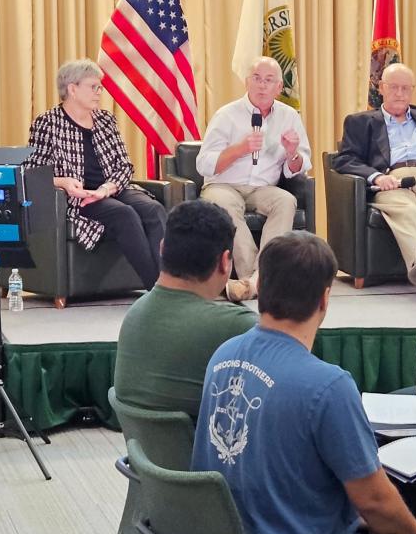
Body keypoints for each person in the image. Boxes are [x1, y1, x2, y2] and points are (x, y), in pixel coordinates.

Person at [191, 232, 416, 534]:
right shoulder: (328, 385)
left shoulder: (224, 355)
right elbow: (374, 502)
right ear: (325, 299)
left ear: (260, 287)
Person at [27, 59, 167, 289]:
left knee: (153, 209)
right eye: (94, 87)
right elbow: (32, 172)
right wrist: (63, 182)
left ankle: (170, 283)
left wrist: (106, 189)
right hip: (80, 198)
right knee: (125, 215)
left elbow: (125, 166)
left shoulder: (106, 120)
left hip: (112, 188)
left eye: (100, 87)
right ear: (72, 89)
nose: (99, 92)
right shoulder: (47, 123)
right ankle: (159, 290)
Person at [334, 63, 416, 303]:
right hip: (392, 180)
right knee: (406, 209)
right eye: (394, 87)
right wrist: (376, 177)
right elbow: (345, 159)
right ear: (381, 88)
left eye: (406, 88)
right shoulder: (359, 121)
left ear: (412, 91)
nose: (399, 93)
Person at [113, 200, 257, 419]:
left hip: (148, 453)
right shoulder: (237, 325)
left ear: (162, 249)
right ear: (225, 262)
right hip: (205, 452)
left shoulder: (135, 314)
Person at [197, 56, 312, 302]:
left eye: (269, 80)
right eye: (257, 79)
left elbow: (301, 164)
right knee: (225, 205)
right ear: (247, 82)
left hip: (263, 187)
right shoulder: (226, 114)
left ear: (279, 88)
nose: (262, 86)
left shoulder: (289, 116)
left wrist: (292, 153)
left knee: (286, 200)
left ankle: (250, 284)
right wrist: (239, 149)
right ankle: (261, 279)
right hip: (223, 184)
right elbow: (203, 162)